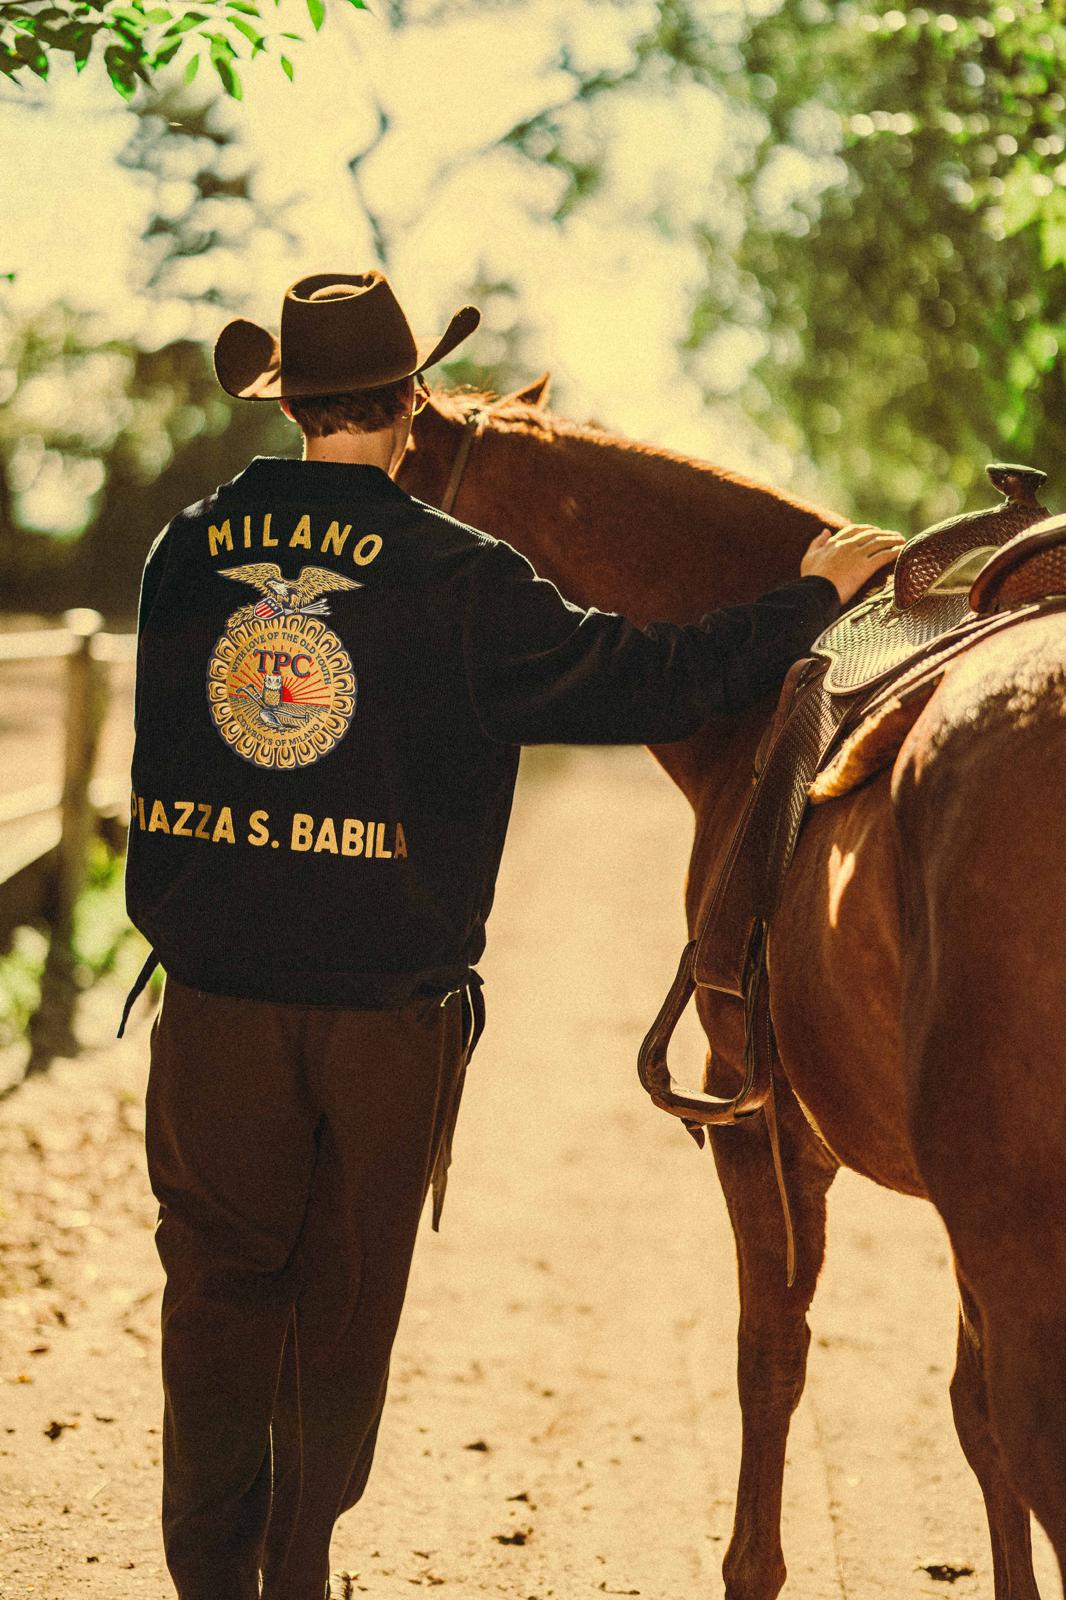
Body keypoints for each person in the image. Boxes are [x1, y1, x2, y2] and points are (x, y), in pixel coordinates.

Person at [123, 270, 904, 1600]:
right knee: (338, 1313)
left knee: (213, 1298)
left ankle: (212, 1582)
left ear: (291, 404)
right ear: (414, 400)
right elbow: (641, 679)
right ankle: (297, 1570)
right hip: (383, 1017)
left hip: (209, 1006)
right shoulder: (458, 573)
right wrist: (807, 595)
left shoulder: (184, 552)